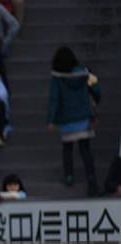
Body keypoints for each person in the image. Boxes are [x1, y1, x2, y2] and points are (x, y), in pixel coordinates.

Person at [47, 46, 100, 196]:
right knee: (85, 150)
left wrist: (51, 120)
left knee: (68, 149)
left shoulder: (57, 78)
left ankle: (69, 176)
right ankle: (91, 179)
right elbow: (96, 89)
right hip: (84, 116)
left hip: (66, 119)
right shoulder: (84, 73)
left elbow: (54, 99)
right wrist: (95, 105)